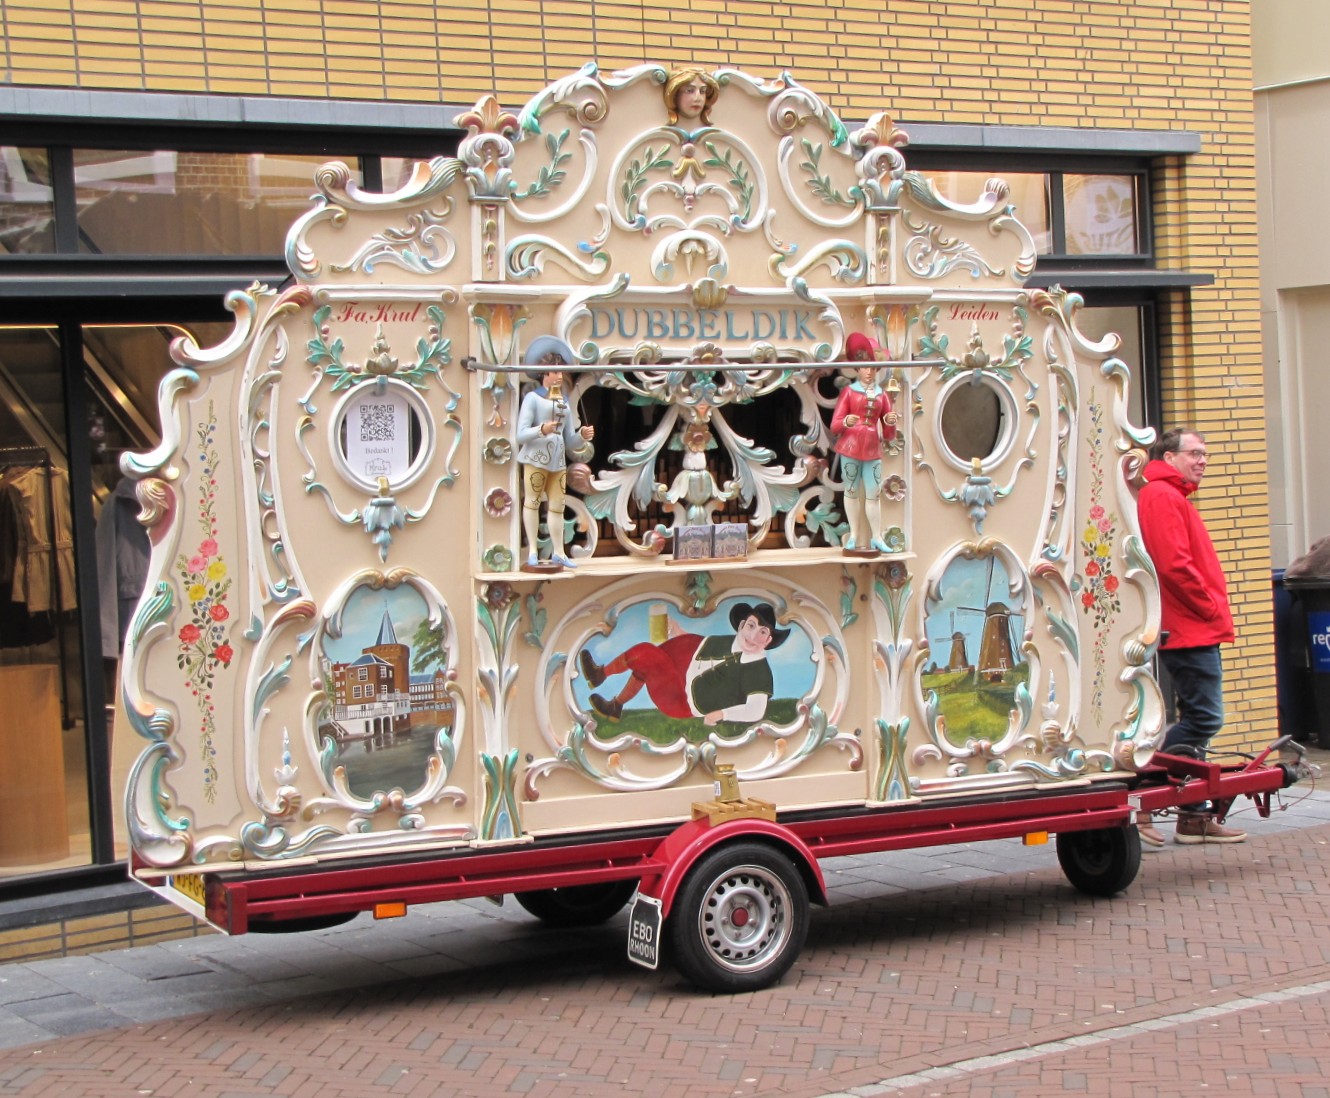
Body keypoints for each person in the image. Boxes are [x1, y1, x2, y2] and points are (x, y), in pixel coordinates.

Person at [1137, 427, 1246, 845]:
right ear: (1168, 456)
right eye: (1194, 453)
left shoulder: (1170, 495)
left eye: (1205, 454)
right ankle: (1142, 794)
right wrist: (1209, 607)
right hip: (1189, 627)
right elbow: (1173, 565)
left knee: (1195, 719)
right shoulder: (1163, 497)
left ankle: (1194, 816)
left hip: (1191, 625)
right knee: (1204, 719)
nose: (1202, 461)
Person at [579, 601, 790, 726]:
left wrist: (722, 714)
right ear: (742, 625)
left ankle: (601, 675)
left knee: (646, 656)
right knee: (649, 664)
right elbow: (704, 651)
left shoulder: (758, 670)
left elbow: (756, 711)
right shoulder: (732, 641)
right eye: (751, 626)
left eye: (762, 632)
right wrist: (679, 632)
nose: (753, 635)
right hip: (684, 670)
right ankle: (616, 705)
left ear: (769, 640)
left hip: (684, 698)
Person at [516, 336, 594, 569]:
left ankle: (559, 551)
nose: (560, 376)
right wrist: (542, 429)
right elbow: (520, 434)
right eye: (555, 371)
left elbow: (568, 439)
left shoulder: (564, 402)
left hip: (557, 462)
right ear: (544, 373)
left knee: (557, 506)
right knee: (532, 502)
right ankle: (532, 550)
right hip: (536, 459)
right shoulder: (532, 399)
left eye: (561, 372)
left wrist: (582, 435)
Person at [830, 333, 897, 553]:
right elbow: (835, 425)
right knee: (850, 491)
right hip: (850, 448)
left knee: (873, 493)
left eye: (873, 367)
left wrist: (889, 422)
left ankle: (876, 536)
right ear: (857, 368)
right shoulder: (849, 393)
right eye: (865, 367)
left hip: (871, 449)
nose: (869, 372)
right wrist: (847, 421)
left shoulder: (882, 395)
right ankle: (855, 536)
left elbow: (888, 435)